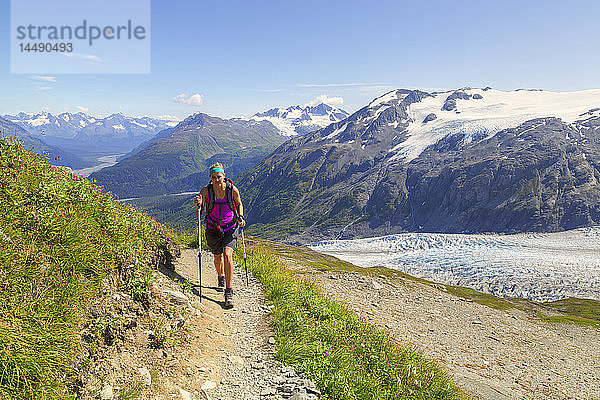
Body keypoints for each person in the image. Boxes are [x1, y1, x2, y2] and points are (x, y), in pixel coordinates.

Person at [194, 163, 246, 308]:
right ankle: (220, 277)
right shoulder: (206, 191)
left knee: (227, 255)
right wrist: (197, 205)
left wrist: (240, 217)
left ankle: (229, 291)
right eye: (213, 177)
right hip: (212, 228)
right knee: (217, 256)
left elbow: (239, 204)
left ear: (224, 176)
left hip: (230, 226)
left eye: (219, 176)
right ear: (210, 178)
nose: (216, 180)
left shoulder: (231, 189)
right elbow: (199, 212)